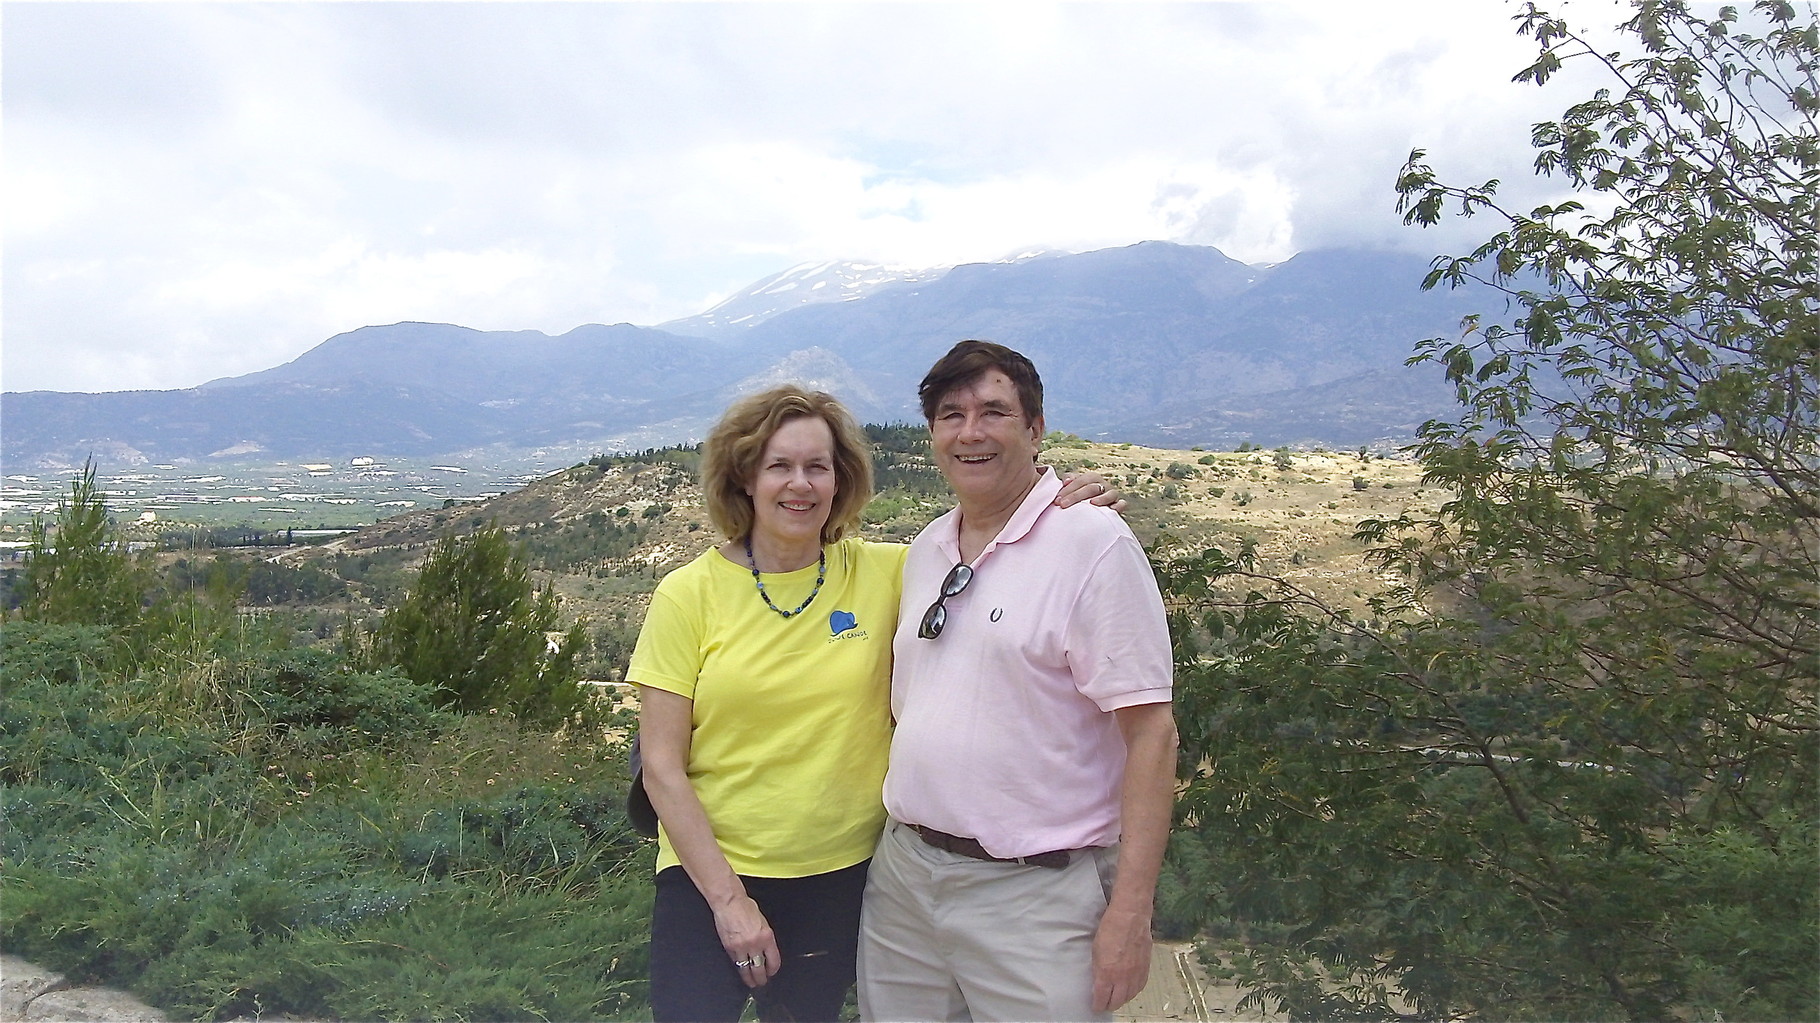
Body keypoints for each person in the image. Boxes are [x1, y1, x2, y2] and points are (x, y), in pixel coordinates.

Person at [627, 384, 1120, 1023]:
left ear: (841, 481)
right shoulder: (686, 595)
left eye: (817, 466)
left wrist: (1062, 506)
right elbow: (663, 766)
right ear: (745, 477)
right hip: (708, 877)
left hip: (839, 875)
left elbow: (992, 544)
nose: (799, 484)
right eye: (779, 465)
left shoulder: (894, 571)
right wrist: (729, 902)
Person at [857, 340, 1179, 1022]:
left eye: (993, 412)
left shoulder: (1094, 544)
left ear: (1035, 427)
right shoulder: (924, 549)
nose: (971, 432)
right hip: (905, 881)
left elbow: (1153, 735)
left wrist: (1130, 911)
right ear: (932, 434)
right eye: (951, 415)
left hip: (1035, 899)